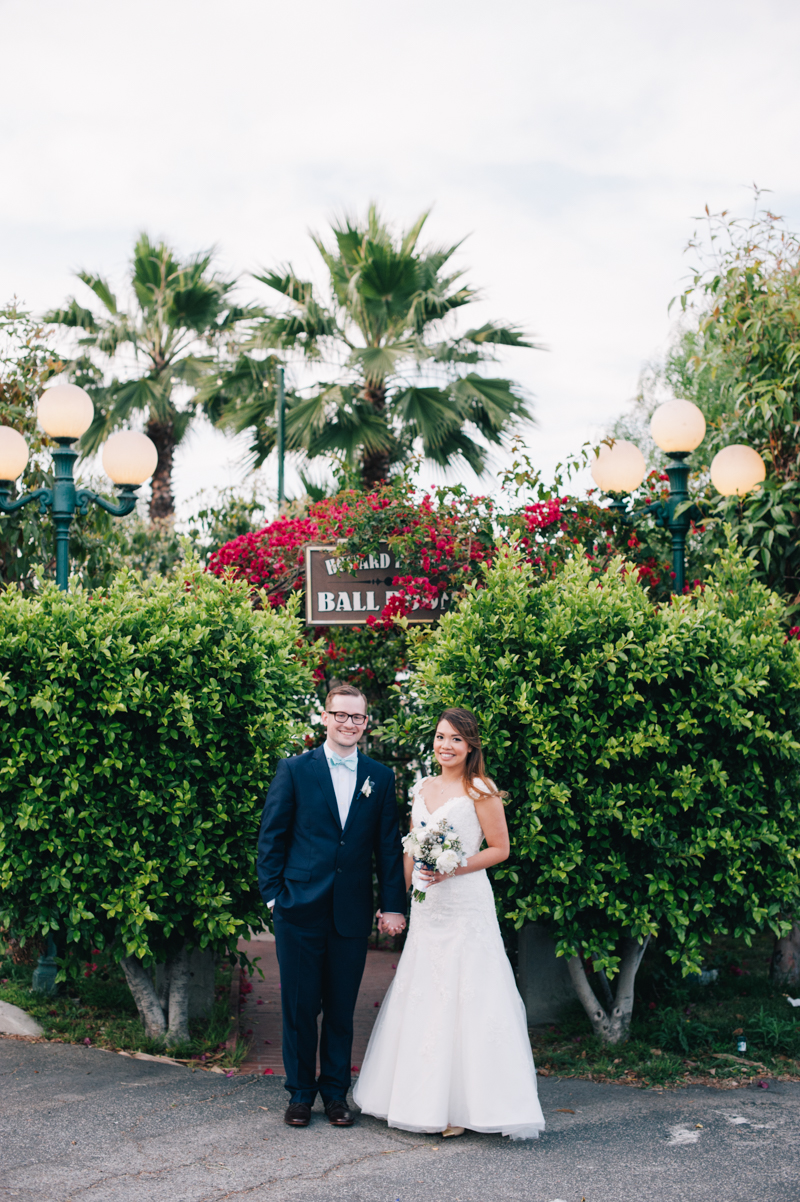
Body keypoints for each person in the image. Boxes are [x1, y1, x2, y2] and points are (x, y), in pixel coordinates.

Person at [353, 707, 545, 1140]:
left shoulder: (482, 790)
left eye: (455, 739)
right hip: (427, 907)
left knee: (470, 995)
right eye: (440, 737)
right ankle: (418, 1099)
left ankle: (464, 1105)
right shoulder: (424, 787)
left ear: (471, 745)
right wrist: (394, 903)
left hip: (465, 905)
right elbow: (409, 848)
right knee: (425, 991)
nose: (445, 746)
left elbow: (500, 849)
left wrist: (453, 868)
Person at [257, 684, 407, 1129]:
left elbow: (386, 846)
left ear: (365, 723)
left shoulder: (379, 777)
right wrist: (273, 896)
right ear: (325, 718)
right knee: (300, 1008)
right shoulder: (295, 770)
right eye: (339, 715)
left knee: (341, 1009)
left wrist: (392, 905)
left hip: (350, 912)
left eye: (356, 717)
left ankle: (336, 1095)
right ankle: (300, 1094)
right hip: (298, 909)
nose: (347, 723)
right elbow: (271, 839)